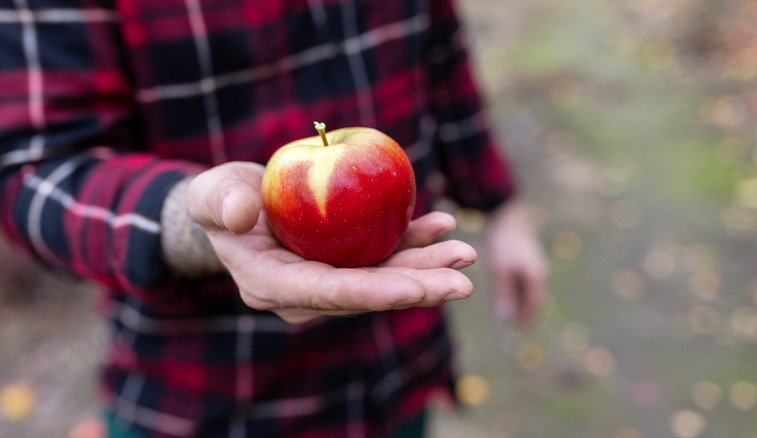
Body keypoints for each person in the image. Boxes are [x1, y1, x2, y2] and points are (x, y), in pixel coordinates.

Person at [0, 0, 548, 437]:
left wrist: (500, 205)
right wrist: (194, 221)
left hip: (400, 365)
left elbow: (439, 50)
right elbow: (36, 170)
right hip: (209, 396)